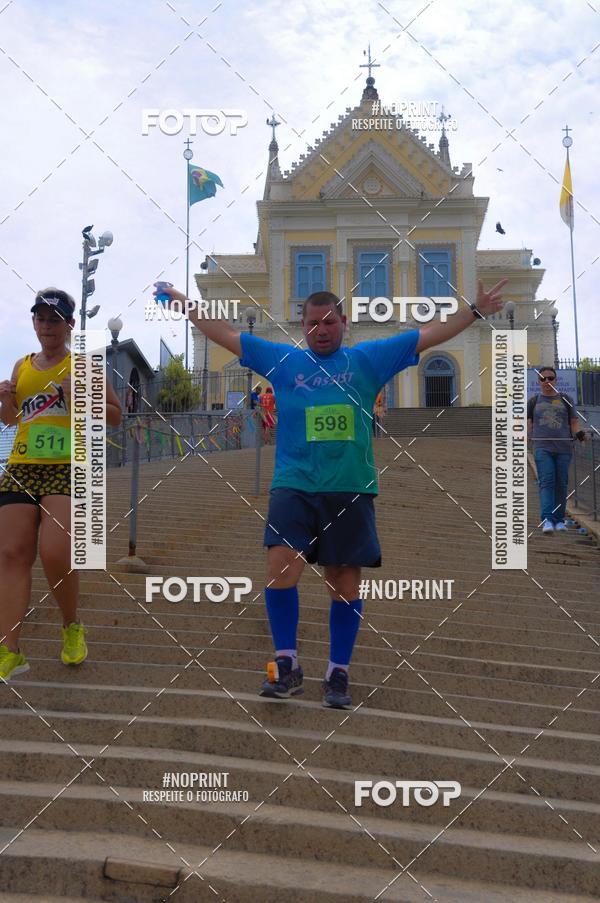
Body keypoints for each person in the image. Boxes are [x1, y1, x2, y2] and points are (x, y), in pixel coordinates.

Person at [155, 280, 506, 708]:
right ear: (301, 327)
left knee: (343, 581)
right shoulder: (284, 361)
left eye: (329, 322)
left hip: (349, 486)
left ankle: (338, 671)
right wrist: (185, 303)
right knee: (280, 566)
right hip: (294, 483)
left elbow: (429, 334)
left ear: (343, 323)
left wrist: (475, 310)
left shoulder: (367, 359)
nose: (321, 330)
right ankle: (286, 665)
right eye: (312, 323)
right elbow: (225, 332)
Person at [0, 288, 122, 681]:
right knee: (10, 554)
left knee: (55, 552)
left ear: (69, 325)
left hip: (68, 466)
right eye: (41, 319)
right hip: (22, 464)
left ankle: (71, 626)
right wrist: (3, 399)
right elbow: (10, 420)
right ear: (33, 322)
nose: (47, 326)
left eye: (55, 320)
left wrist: (82, 398)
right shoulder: (22, 366)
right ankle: (9, 650)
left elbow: (118, 415)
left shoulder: (83, 365)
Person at [527, 366, 585, 534]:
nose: (547, 381)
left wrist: (579, 435)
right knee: (547, 482)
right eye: (543, 379)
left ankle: (559, 520)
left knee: (561, 483)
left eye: (550, 378)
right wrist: (526, 435)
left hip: (564, 448)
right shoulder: (534, 401)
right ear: (538, 382)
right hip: (542, 447)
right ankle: (547, 519)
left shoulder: (566, 399)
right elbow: (528, 423)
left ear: (556, 380)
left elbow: (573, 422)